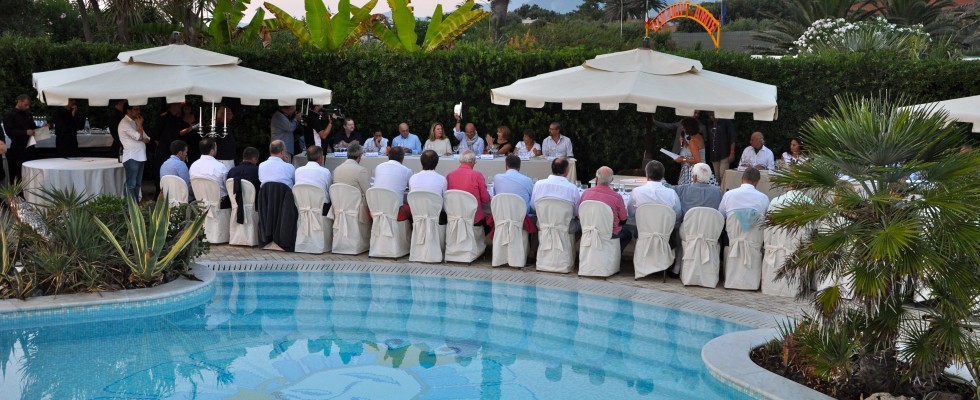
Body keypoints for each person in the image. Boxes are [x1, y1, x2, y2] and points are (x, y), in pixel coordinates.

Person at [581, 166, 631, 252]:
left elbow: (580, 215)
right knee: (628, 234)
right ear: (611, 180)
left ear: (596, 178)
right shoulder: (617, 197)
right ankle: (614, 254)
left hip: (589, 230)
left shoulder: (585, 193)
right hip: (610, 233)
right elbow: (623, 220)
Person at [2, 95, 45, 184]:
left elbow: (33, 128)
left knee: (31, 173)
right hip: (18, 149)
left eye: (28, 105)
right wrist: (25, 132)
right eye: (26, 105)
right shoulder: (9, 115)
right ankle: (18, 196)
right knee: (18, 174)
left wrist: (42, 128)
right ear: (19, 102)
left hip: (30, 148)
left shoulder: (28, 114)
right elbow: (9, 132)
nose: (27, 107)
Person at [154, 103, 199, 185]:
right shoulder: (164, 118)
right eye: (179, 105)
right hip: (165, 150)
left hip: (172, 149)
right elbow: (156, 136)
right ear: (174, 105)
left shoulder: (176, 118)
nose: (181, 107)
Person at [628, 160, 682, 225]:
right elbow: (678, 215)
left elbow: (630, 213)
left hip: (642, 231)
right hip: (665, 232)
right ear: (662, 176)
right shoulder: (671, 193)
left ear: (647, 175)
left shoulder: (636, 192)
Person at [446, 150, 491, 226]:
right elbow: (486, 200)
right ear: (471, 161)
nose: (475, 163)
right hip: (474, 219)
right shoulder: (477, 175)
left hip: (454, 217)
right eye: (475, 161)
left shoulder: (450, 175)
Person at [119, 105, 150, 201]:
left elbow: (147, 139)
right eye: (136, 109)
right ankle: (130, 209)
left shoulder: (134, 122)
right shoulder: (125, 123)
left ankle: (135, 206)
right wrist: (140, 125)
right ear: (128, 110)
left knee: (137, 184)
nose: (138, 111)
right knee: (131, 184)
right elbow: (140, 137)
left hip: (140, 157)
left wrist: (140, 133)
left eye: (139, 109)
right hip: (132, 157)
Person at [373, 146, 414, 219]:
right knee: (414, 209)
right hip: (395, 212)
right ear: (403, 158)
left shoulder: (378, 167)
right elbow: (412, 190)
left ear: (388, 156)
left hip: (376, 210)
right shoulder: (407, 171)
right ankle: (407, 230)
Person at [673, 117, 706, 185]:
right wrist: (684, 142)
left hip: (695, 172)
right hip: (702, 169)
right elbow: (693, 150)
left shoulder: (692, 141)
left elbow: (697, 160)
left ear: (689, 128)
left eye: (684, 128)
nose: (682, 129)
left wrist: (683, 159)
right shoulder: (698, 136)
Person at [214, 105, 237, 169]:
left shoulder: (225, 127)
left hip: (228, 159)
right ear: (222, 115)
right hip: (222, 160)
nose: (231, 115)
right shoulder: (218, 127)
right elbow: (214, 142)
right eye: (229, 113)